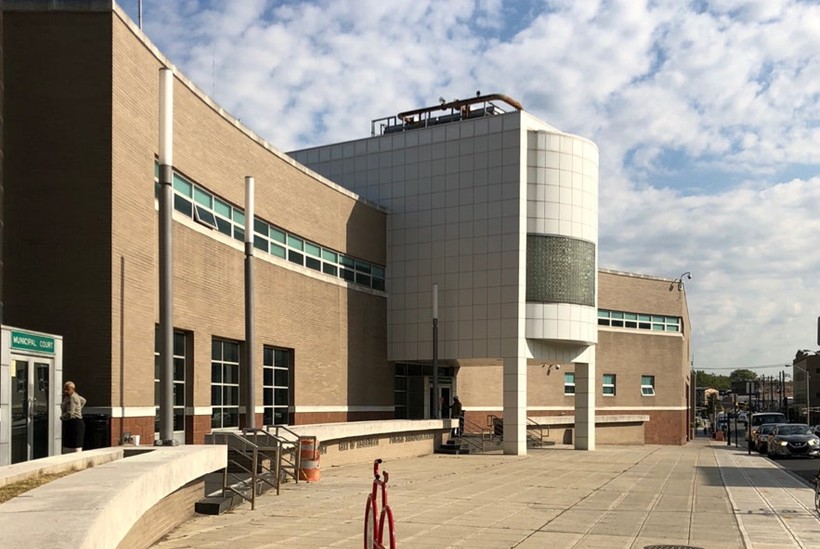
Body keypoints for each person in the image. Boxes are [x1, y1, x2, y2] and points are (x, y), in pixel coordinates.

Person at [61, 381, 87, 453]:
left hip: (74, 423)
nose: (65, 391)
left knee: (73, 448)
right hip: (71, 423)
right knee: (68, 447)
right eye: (65, 389)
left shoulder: (73, 398)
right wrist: (79, 408)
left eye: (68, 389)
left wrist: (62, 417)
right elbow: (83, 400)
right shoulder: (73, 396)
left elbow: (70, 413)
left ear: (73, 389)